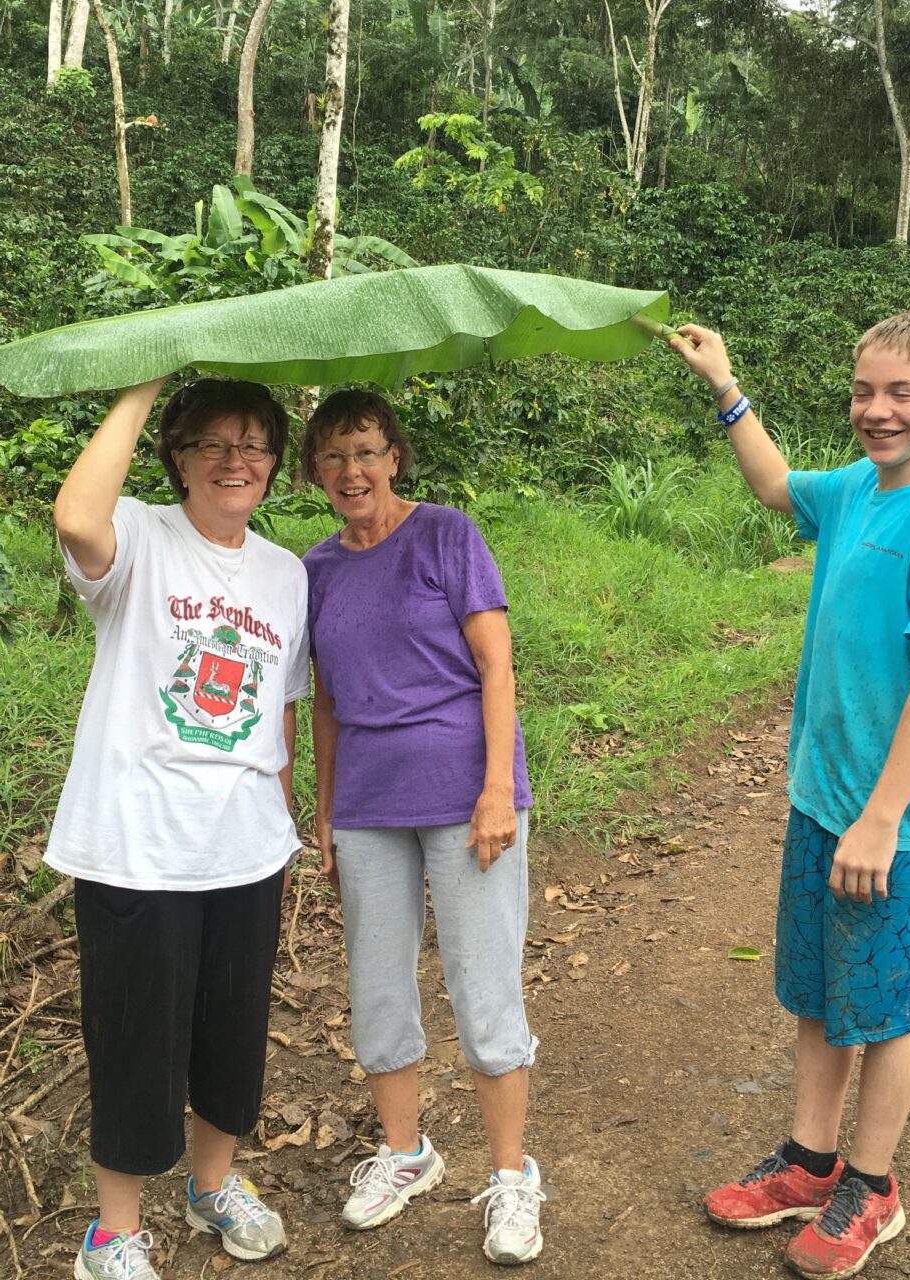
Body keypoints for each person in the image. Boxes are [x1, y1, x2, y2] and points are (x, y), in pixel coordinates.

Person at [671, 314, 910, 1278]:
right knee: (820, 990)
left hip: (895, 823)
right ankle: (811, 1164)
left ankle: (874, 1184)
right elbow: (778, 486)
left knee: (886, 1008)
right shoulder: (856, 488)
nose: (877, 410)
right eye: (865, 391)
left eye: (902, 393)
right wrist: (725, 385)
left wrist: (881, 817)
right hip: (823, 799)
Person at [46, 377, 310, 1280]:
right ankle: (113, 1236)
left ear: (273, 464)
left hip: (246, 846)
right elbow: (76, 518)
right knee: (134, 1039)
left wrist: (285, 824)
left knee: (231, 1033)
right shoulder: (140, 538)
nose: (236, 461)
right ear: (179, 459)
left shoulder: (286, 573)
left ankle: (213, 1185)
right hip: (136, 845)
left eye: (254, 445)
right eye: (213, 444)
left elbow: (278, 711)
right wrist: (146, 382)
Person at [300, 389, 544, 1266]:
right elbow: (325, 701)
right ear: (314, 472)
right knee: (376, 987)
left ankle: (511, 1176)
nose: (351, 471)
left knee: (483, 985)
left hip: (464, 792)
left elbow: (496, 665)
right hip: (368, 804)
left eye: (366, 451)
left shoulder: (447, 534)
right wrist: (325, 811)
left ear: (394, 457)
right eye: (333, 456)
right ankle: (405, 1154)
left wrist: (495, 789)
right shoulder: (316, 568)